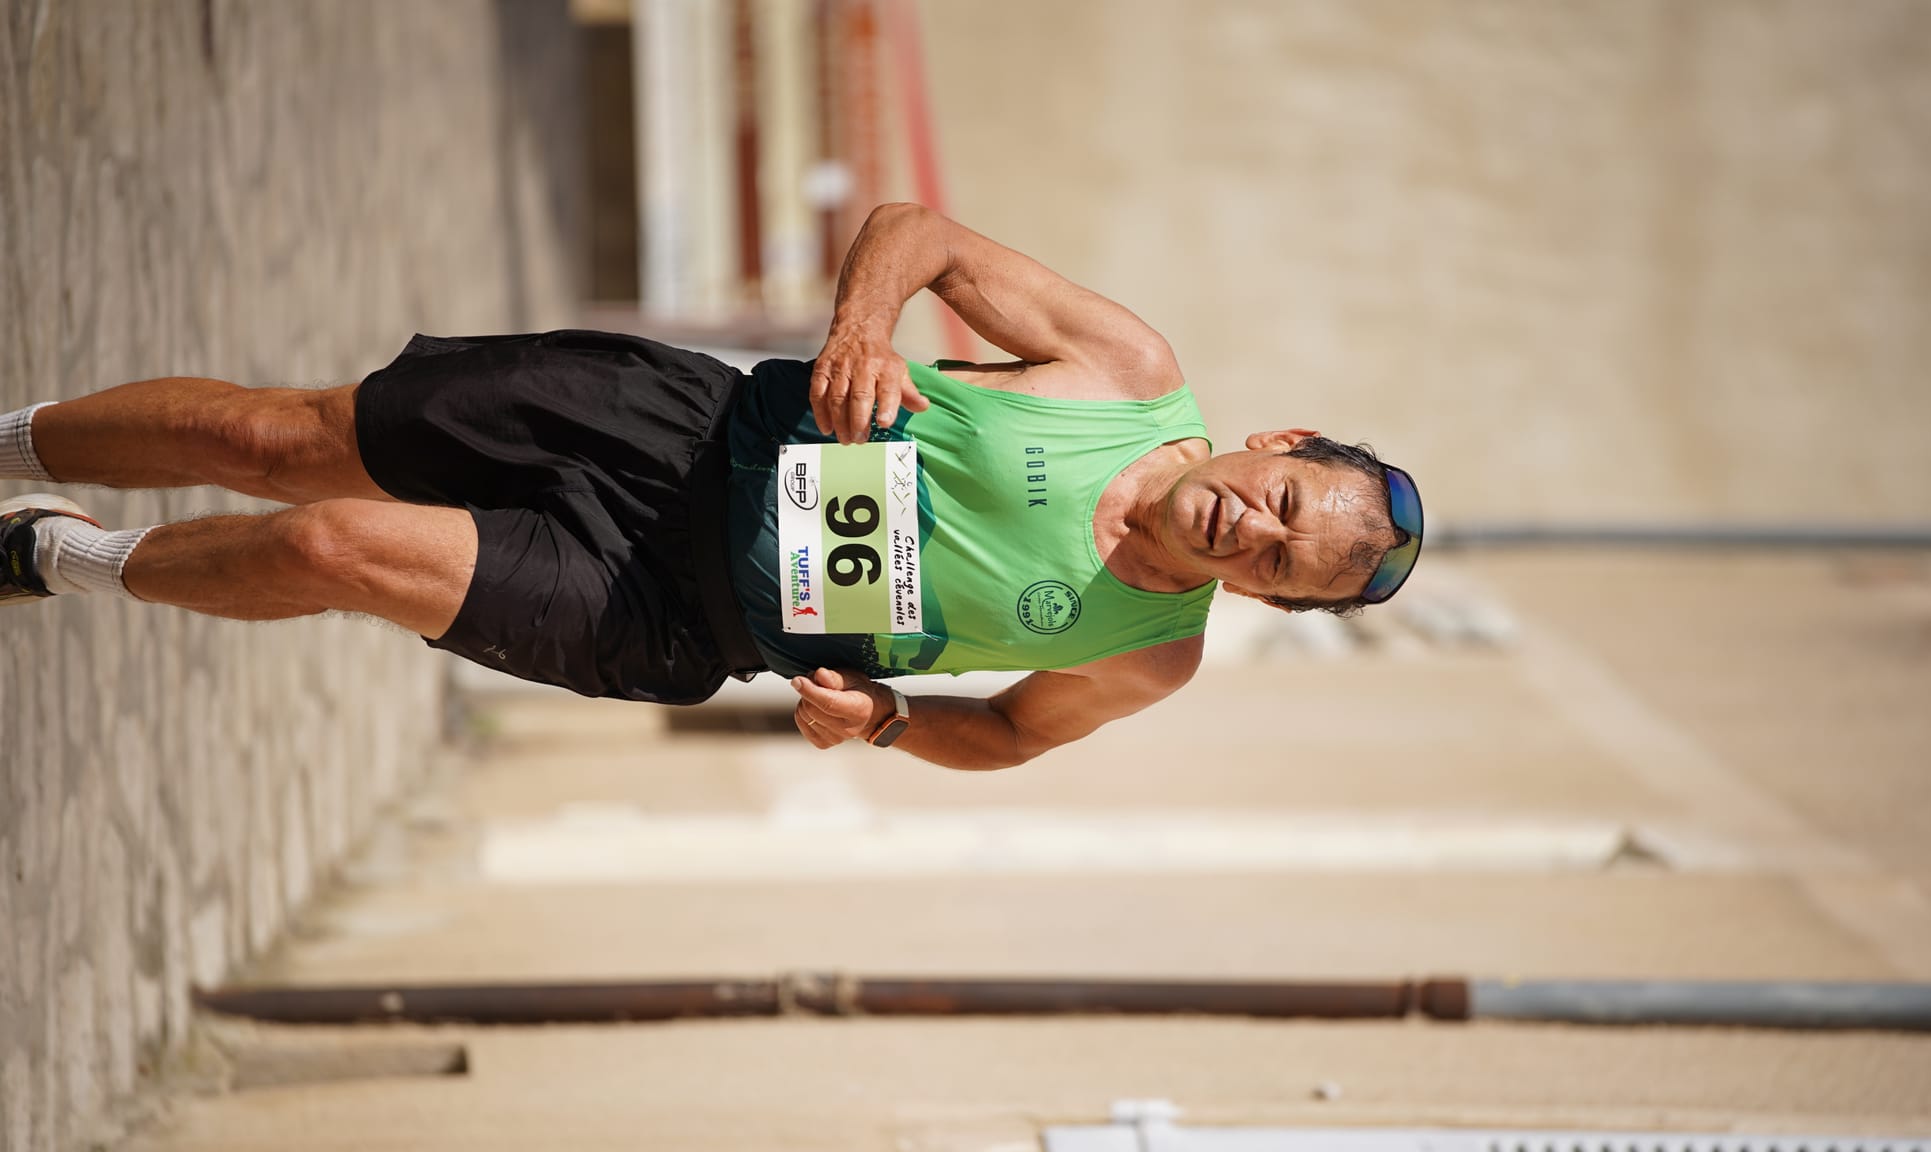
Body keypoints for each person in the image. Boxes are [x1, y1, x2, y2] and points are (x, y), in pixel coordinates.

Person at [0, 203, 1422, 769]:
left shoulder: (1150, 655)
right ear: (1280, 446)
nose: (1263, 532)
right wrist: (863, 327)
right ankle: (13, 440)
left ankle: (61, 559)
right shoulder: (1129, 369)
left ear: (1266, 597)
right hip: (674, 426)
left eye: (1284, 566)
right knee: (282, 442)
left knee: (325, 544)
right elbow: (916, 232)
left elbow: (1007, 734)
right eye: (1290, 506)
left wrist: (885, 721)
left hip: (679, 614)